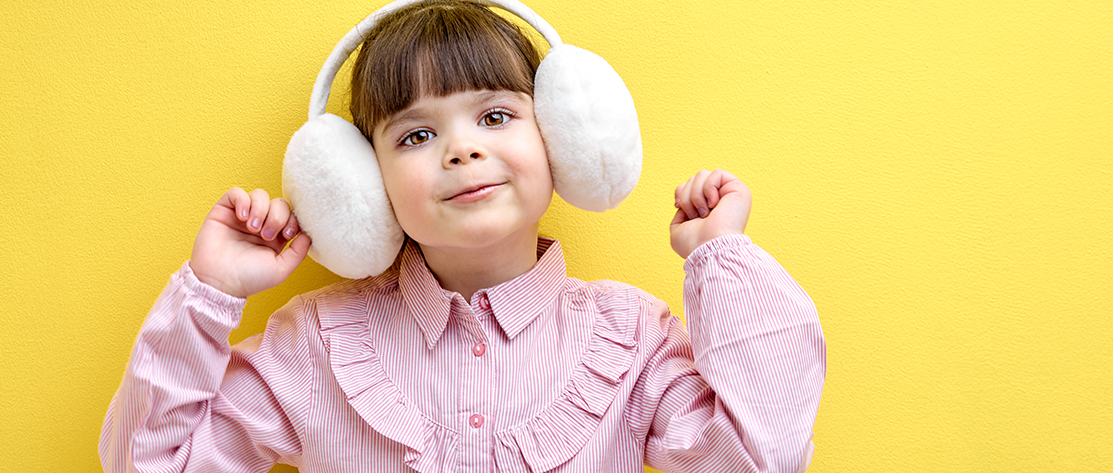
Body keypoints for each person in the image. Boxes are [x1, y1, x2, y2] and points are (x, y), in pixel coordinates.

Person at [99, 1, 825, 471]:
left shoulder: (633, 338)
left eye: (496, 117)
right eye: (416, 133)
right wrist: (211, 293)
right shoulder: (316, 343)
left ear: (565, 140)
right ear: (361, 186)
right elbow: (149, 464)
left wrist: (720, 256)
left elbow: (761, 457)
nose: (460, 149)